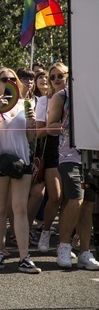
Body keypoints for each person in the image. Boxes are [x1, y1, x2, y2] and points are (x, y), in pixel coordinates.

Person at [0, 67, 40, 273]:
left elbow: (31, 139)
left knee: (20, 208)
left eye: (12, 78)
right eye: (3, 79)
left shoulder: (26, 104)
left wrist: (32, 123)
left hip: (21, 161)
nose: (8, 81)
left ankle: (24, 257)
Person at [48, 74, 99, 270]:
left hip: (92, 158)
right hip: (70, 157)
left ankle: (85, 252)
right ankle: (64, 245)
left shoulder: (93, 95)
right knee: (76, 198)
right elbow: (50, 126)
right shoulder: (62, 96)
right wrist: (65, 125)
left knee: (88, 203)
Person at [34, 68, 61, 253]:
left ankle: (70, 239)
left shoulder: (75, 98)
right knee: (56, 196)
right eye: (52, 77)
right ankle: (45, 232)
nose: (56, 79)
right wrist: (56, 126)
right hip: (52, 150)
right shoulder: (45, 101)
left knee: (74, 198)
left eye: (60, 76)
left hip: (75, 150)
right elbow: (39, 132)